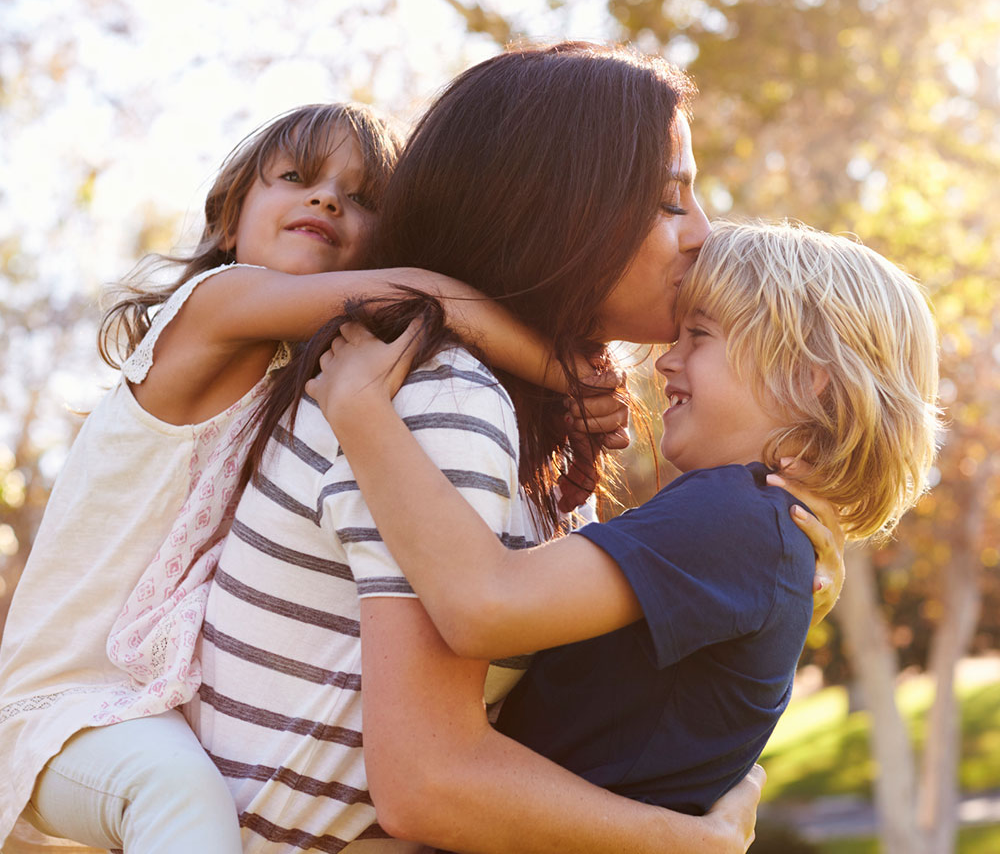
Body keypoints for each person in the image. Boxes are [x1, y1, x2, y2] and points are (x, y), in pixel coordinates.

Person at [189, 43, 845, 854]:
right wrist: (689, 843)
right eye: (671, 199)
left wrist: (756, 579)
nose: (701, 234)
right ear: (560, 207)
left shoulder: (508, 417)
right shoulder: (443, 399)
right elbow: (432, 785)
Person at [0, 102, 578, 854]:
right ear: (231, 220)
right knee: (177, 797)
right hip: (64, 708)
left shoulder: (304, 377)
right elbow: (420, 298)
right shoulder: (214, 305)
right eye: (297, 178)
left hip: (156, 702)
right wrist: (568, 380)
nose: (328, 199)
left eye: (361, 197)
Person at [310, 217, 940, 818]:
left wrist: (360, 409)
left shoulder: (736, 515)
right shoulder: (762, 529)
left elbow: (484, 604)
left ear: (808, 381)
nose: (666, 360)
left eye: (701, 335)